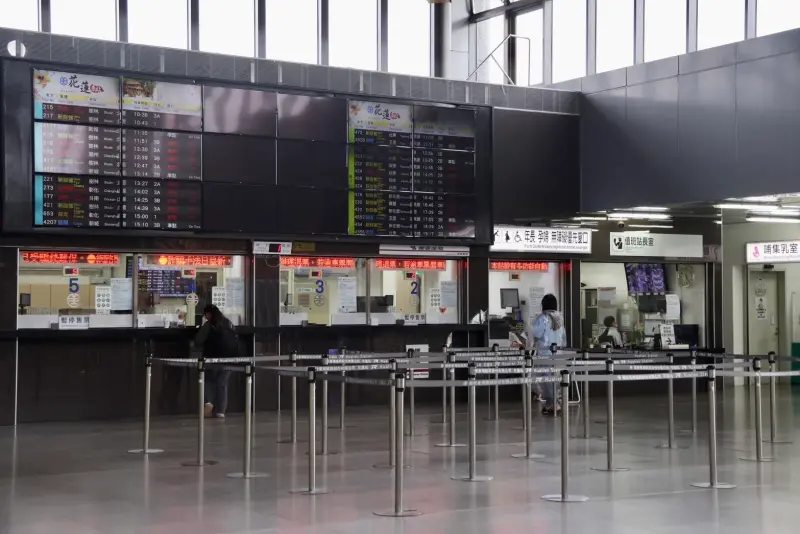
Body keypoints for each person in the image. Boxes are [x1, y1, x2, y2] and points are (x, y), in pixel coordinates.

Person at [195, 304, 239, 419]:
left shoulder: (209, 325)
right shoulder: (228, 323)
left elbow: (198, 340)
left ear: (208, 314)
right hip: (230, 358)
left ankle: (209, 402)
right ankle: (221, 411)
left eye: (206, 315)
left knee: (209, 381)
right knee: (222, 384)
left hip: (213, 358)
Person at [531, 294, 566, 416]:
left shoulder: (543, 318)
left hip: (545, 353)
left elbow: (537, 333)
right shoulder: (559, 318)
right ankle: (553, 403)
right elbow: (564, 338)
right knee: (555, 380)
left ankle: (553, 404)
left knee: (546, 380)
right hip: (558, 353)